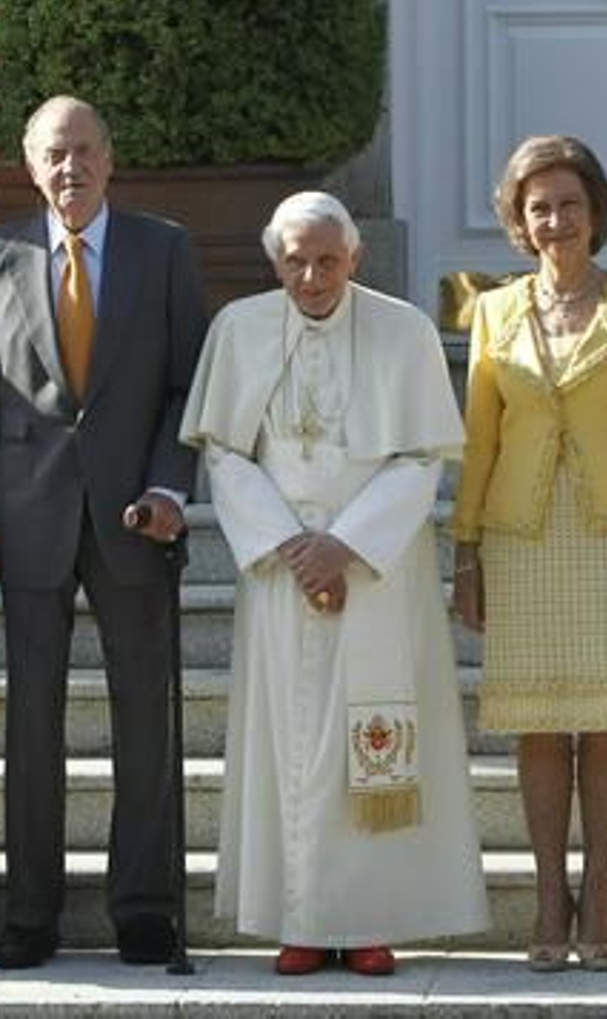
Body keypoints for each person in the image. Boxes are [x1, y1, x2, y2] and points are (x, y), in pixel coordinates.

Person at [179, 191, 489, 976]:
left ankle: (370, 919)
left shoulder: (406, 330)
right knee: (289, 741)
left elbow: (421, 458)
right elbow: (224, 453)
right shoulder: (239, 331)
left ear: (354, 257)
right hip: (283, 572)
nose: (311, 277)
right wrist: (293, 544)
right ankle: (302, 920)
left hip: (377, 575)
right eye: (294, 261)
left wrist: (344, 546)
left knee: (373, 742)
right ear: (273, 261)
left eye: (326, 260)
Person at [0, 95, 208, 969]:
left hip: (135, 515)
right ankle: (31, 914)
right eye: (54, 154)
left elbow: (186, 387)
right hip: (28, 519)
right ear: (31, 165)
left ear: (110, 158)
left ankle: (143, 907)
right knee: (32, 723)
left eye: (85, 151)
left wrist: (172, 486)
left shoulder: (163, 248)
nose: (71, 168)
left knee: (144, 718)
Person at [451, 134, 607, 972]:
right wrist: (463, 548)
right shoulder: (493, 312)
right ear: (518, 218)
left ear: (596, 211)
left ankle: (602, 891)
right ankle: (551, 892)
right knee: (538, 725)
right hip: (521, 538)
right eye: (537, 206)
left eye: (569, 204)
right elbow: (480, 439)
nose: (555, 220)